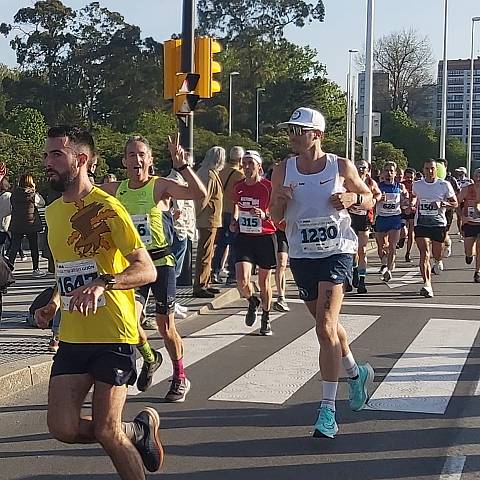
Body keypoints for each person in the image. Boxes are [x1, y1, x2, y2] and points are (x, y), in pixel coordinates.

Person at [35, 125, 163, 478]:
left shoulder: (108, 208)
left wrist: (104, 283)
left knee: (108, 430)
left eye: (56, 155)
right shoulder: (53, 212)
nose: (48, 162)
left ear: (81, 160)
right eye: (46, 155)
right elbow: (67, 268)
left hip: (113, 333)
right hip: (75, 335)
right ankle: (136, 432)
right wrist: (55, 302)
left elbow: (146, 269)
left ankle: (123, 435)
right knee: (62, 427)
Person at [270, 107, 374, 439]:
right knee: (325, 325)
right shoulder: (282, 170)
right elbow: (273, 216)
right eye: (291, 130)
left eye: (299, 130)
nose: (293, 136)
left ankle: (328, 410)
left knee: (325, 325)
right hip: (302, 254)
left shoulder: (340, 165)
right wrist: (280, 200)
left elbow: (370, 197)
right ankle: (356, 375)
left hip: (337, 250)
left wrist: (353, 197)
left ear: (317, 135)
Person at [102, 134, 206, 402]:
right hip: (135, 266)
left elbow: (200, 196)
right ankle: (150, 358)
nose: (137, 160)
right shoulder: (116, 189)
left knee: (165, 326)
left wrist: (183, 167)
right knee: (130, 322)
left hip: (161, 264)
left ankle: (180, 375)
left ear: (150, 159)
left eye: (141, 155)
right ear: (124, 161)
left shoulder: (159, 186)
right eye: (131, 155)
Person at [230, 150, 276, 335]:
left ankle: (266, 317)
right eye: (245, 163)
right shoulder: (238, 186)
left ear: (259, 166)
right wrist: (234, 221)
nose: (247, 167)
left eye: (251, 163)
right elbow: (236, 205)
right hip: (245, 237)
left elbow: (277, 210)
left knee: (265, 282)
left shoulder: (268, 186)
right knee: (241, 280)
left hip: (265, 236)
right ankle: (252, 301)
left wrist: (265, 215)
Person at [412, 159, 457, 298]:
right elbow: (413, 198)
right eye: (427, 168)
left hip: (438, 224)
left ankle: (438, 261)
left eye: (432, 168)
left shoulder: (444, 184)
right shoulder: (417, 185)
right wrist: (410, 204)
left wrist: (442, 203)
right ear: (423, 169)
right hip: (421, 223)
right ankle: (427, 284)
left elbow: (454, 203)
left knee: (436, 254)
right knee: (424, 254)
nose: (429, 171)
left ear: (436, 169)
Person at [167, 151, 196, 319]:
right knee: (174, 270)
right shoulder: (173, 182)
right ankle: (171, 302)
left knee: (176, 269)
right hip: (178, 230)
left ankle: (173, 301)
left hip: (184, 229)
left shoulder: (180, 181)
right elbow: (173, 209)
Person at [193, 146, 225, 298]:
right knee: (205, 253)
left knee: (208, 252)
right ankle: (200, 284)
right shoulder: (209, 175)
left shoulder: (208, 172)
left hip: (210, 219)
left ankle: (206, 281)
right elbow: (202, 199)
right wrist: (196, 216)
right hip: (207, 219)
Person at [211, 146, 245, 285]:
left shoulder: (221, 171)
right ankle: (232, 275)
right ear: (241, 159)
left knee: (221, 244)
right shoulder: (240, 175)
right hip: (233, 212)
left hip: (220, 211)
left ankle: (215, 271)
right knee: (234, 244)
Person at [347, 160, 381, 294]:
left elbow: (378, 193)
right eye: (358, 167)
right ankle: (353, 273)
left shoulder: (370, 183)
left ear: (368, 170)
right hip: (351, 218)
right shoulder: (349, 181)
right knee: (351, 250)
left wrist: (373, 200)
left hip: (364, 218)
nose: (361, 170)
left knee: (362, 249)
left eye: (364, 168)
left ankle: (362, 280)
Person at [375, 162, 409, 282]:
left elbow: (405, 202)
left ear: (395, 173)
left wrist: (406, 200)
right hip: (381, 218)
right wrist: (378, 199)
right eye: (387, 170)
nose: (389, 173)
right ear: (383, 173)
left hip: (395, 218)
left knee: (392, 246)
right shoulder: (378, 186)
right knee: (382, 246)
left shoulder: (400, 187)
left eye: (391, 171)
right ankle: (384, 261)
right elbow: (372, 201)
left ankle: (389, 270)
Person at [8, 173, 46, 277]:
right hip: (31, 224)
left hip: (17, 223)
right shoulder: (32, 194)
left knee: (14, 247)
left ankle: (9, 269)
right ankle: (35, 269)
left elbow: (11, 205)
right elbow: (42, 203)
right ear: (30, 182)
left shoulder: (14, 194)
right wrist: (35, 190)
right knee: (34, 247)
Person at [457, 167, 480, 282]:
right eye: (477, 176)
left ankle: (477, 271)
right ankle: (469, 256)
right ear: (473, 177)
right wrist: (462, 216)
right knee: (469, 250)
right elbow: (456, 203)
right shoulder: (466, 189)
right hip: (469, 223)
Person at [400, 168, 416, 262]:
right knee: (403, 230)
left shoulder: (416, 186)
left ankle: (408, 253)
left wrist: (411, 205)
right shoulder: (402, 184)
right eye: (407, 177)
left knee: (411, 233)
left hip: (413, 211)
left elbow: (416, 197)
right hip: (402, 210)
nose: (409, 179)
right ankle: (402, 238)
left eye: (411, 177)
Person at [454, 166, 473, 239]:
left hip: (466, 202)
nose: (458, 173)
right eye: (458, 172)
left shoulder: (469, 181)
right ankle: (460, 231)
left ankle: (467, 230)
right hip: (459, 201)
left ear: (463, 173)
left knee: (466, 216)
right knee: (459, 217)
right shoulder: (456, 181)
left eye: (460, 172)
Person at [0, 176, 12, 256]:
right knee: (13, 240)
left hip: (2, 222)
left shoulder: (2, 196)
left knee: (2, 242)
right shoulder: (8, 196)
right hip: (7, 221)